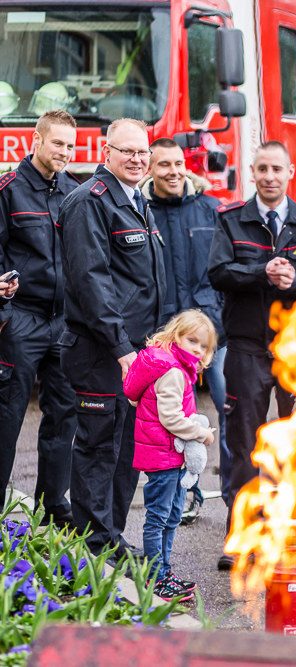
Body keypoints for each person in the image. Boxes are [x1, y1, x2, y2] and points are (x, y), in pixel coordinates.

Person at [209, 141, 296, 570]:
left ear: (290, 171)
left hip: (295, 349)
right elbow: (218, 272)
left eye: (277, 169)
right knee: (243, 443)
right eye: (262, 168)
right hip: (246, 349)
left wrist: (293, 279)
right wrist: (260, 272)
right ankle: (241, 536)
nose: (269, 176)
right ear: (252, 172)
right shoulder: (230, 220)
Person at [59, 118, 167, 557]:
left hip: (136, 349)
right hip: (102, 351)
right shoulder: (90, 201)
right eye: (128, 151)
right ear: (107, 153)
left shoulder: (137, 201)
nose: (137, 159)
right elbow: (92, 283)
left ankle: (110, 540)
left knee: (125, 450)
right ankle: (94, 547)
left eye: (143, 152)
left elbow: (143, 282)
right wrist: (122, 348)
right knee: (99, 446)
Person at [140, 137, 227, 523]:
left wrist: (219, 314)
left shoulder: (210, 209)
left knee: (227, 404)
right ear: (150, 169)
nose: (172, 172)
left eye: (177, 164)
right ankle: (185, 491)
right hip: (167, 339)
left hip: (211, 332)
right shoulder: (140, 212)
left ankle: (229, 493)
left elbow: (227, 267)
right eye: (163, 165)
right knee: (174, 417)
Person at [0, 110, 79, 526]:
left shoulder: (75, 192)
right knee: (7, 414)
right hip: (21, 320)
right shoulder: (8, 191)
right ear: (36, 140)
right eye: (58, 143)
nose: (65, 151)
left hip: (64, 324)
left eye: (71, 144)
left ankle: (54, 507)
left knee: (64, 415)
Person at [124, 310, 216, 602]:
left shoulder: (175, 365)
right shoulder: (174, 371)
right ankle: (156, 578)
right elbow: (171, 419)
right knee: (159, 518)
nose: (198, 350)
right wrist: (202, 433)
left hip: (166, 455)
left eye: (204, 346)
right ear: (177, 335)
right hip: (163, 457)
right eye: (192, 341)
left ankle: (163, 571)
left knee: (171, 516)